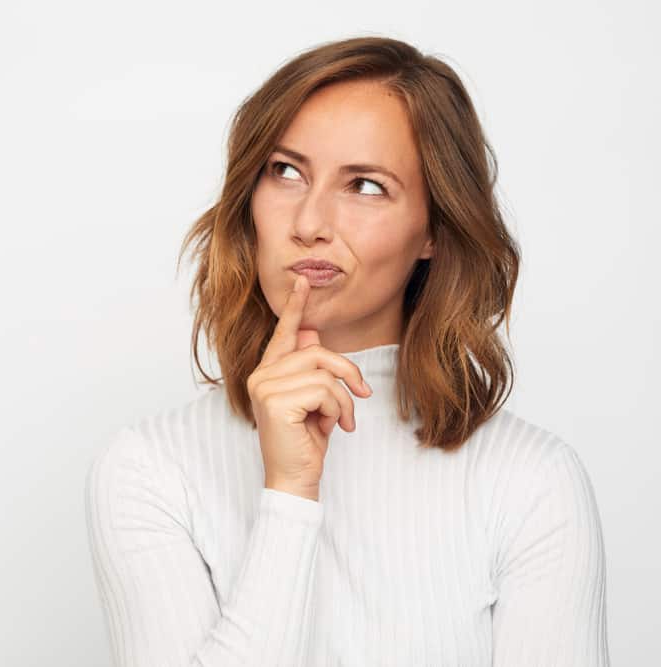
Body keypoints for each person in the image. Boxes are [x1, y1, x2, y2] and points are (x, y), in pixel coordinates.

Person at [84, 36, 609, 666]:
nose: (309, 223)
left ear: (434, 229)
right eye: (285, 172)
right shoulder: (151, 470)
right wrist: (289, 494)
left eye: (364, 185)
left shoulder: (532, 481)